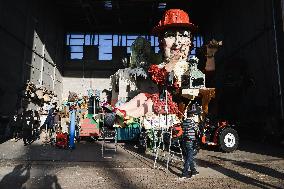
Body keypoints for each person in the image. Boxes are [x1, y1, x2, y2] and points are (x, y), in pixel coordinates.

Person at [181, 104, 201, 178]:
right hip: (190, 141)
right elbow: (197, 131)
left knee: (190, 156)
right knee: (189, 157)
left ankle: (193, 171)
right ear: (192, 115)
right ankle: (184, 172)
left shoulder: (184, 122)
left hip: (185, 141)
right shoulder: (192, 122)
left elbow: (183, 130)